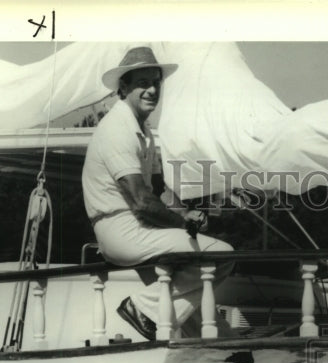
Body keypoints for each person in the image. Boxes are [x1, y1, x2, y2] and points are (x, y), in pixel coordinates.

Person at [82, 46, 233, 340]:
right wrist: (184, 221)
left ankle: (216, 345)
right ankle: (140, 308)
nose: (152, 90)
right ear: (123, 88)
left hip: (134, 227)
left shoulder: (142, 131)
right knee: (221, 256)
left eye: (156, 82)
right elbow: (140, 201)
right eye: (142, 83)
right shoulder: (117, 129)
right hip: (122, 231)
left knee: (182, 293)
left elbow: (150, 199)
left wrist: (185, 216)